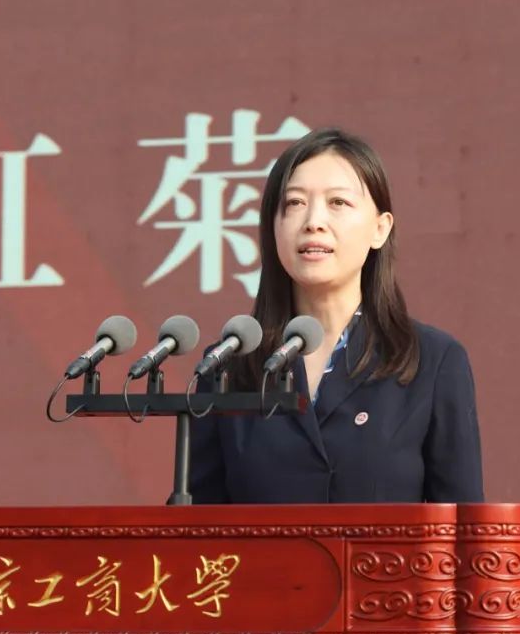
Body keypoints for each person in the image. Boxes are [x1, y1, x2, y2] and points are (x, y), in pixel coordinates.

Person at [189, 128, 484, 503]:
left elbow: (464, 523)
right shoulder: (228, 367)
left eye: (338, 203)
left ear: (380, 229)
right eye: (295, 203)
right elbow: (197, 522)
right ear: (273, 226)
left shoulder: (431, 360)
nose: (313, 221)